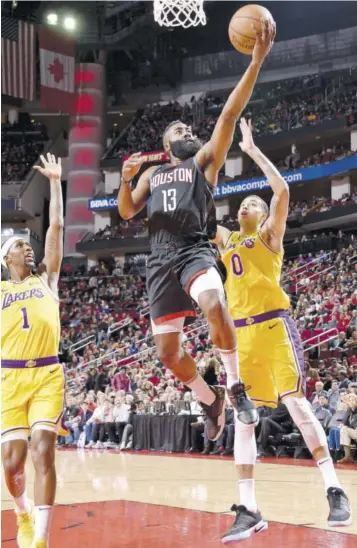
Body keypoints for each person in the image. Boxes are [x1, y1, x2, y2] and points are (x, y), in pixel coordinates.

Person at [118, 20, 275, 442]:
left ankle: (235, 384)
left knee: (214, 303)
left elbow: (229, 113)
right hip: (159, 261)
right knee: (168, 354)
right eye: (179, 131)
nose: (188, 132)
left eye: (189, 129)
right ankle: (209, 398)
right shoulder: (152, 174)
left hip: (193, 250)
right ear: (167, 146)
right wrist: (124, 177)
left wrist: (256, 62)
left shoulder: (203, 161)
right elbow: (128, 210)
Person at [213, 119, 352, 543]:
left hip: (274, 327)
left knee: (298, 404)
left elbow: (284, 191)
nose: (245, 208)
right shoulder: (227, 240)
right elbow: (199, 214)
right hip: (242, 337)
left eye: (252, 204)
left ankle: (334, 489)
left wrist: (251, 149)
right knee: (244, 420)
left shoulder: (271, 237)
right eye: (241, 206)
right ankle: (249, 508)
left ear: (263, 214)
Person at [1, 154, 65, 548]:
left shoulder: (47, 278)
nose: (28, 249)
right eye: (20, 245)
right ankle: (22, 513)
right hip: (9, 377)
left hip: (45, 374)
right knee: (12, 464)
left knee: (44, 452)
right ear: (6, 258)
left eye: (29, 245)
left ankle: (40, 539)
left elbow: (55, 226)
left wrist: (55, 183)